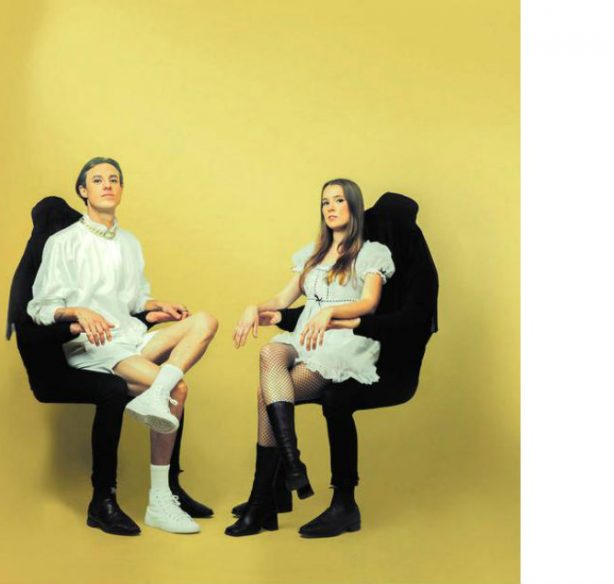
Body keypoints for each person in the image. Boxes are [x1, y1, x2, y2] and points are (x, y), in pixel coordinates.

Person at [27, 157, 219, 535]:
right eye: (98, 180)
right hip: (94, 345)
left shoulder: (130, 242)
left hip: (131, 338)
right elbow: (39, 308)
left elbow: (134, 301)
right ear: (83, 191)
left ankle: (156, 398)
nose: (107, 185)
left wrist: (156, 306)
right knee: (177, 389)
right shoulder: (63, 242)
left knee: (205, 321)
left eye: (114, 179)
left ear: (121, 190)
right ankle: (160, 500)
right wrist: (77, 311)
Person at [225, 178, 395, 537]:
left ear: (354, 206)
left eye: (338, 200)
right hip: (304, 336)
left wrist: (330, 312)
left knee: (265, 394)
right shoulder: (311, 254)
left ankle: (262, 502)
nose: (330, 208)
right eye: (325, 202)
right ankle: (292, 464)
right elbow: (281, 299)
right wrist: (253, 307)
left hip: (340, 342)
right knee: (270, 351)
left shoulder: (371, 252)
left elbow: (369, 303)